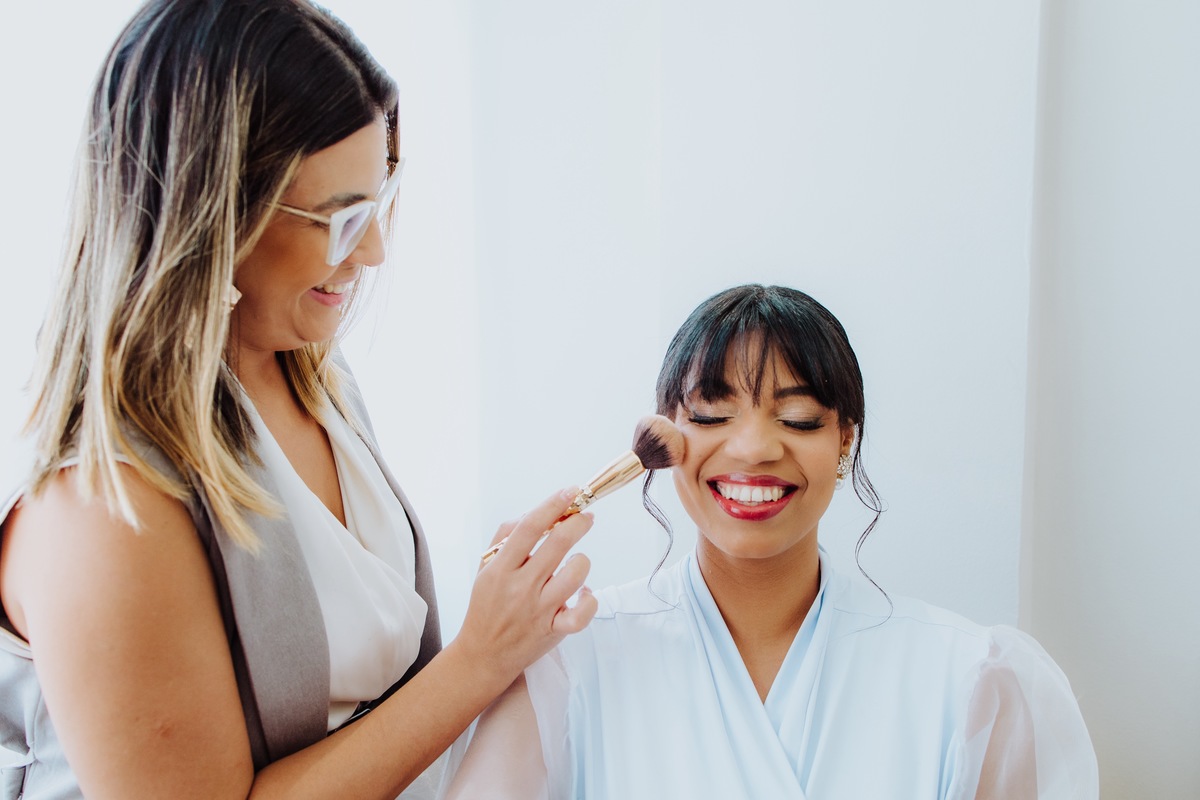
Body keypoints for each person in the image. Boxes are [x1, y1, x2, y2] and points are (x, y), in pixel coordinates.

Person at [0, 1, 597, 797]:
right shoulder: (102, 508)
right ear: (210, 213)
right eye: (340, 219)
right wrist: (481, 659)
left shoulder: (311, 372)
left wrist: (502, 615)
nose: (373, 252)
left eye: (379, 202)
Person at [440, 284, 1099, 799]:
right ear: (664, 435)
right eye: (712, 413)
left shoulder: (973, 680)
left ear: (844, 440)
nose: (754, 448)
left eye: (799, 418)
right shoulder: (567, 668)